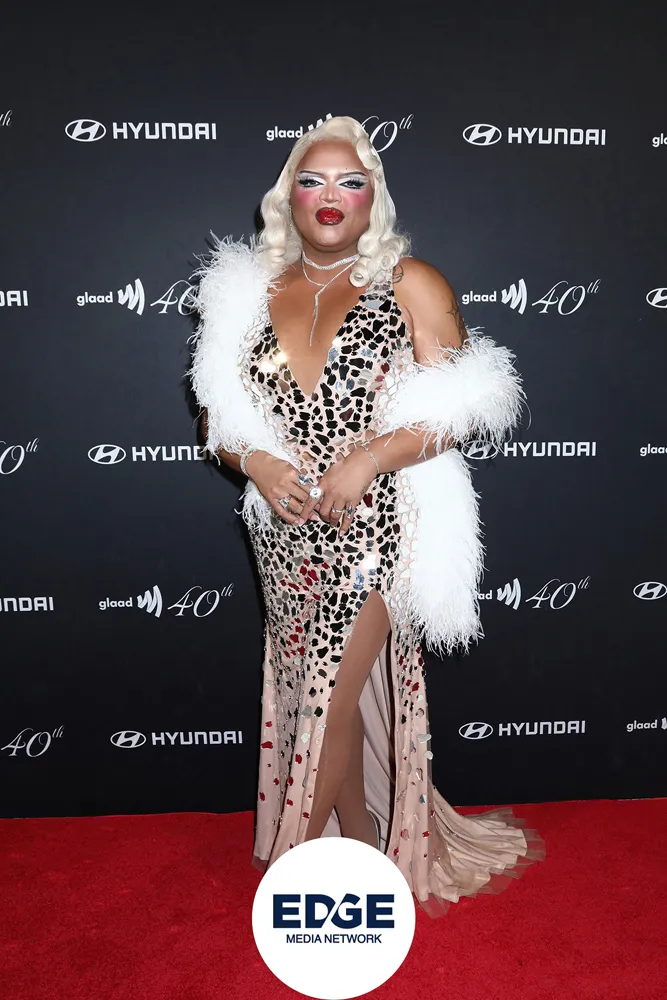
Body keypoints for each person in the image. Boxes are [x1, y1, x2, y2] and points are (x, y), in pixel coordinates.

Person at [188, 116, 546, 917]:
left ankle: (296, 878)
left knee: (326, 693)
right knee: (319, 694)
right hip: (284, 532)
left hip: (382, 528)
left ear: (372, 199)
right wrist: (257, 463)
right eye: (311, 180)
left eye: (350, 182)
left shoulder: (410, 282)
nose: (330, 196)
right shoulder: (245, 296)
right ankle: (362, 842)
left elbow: (465, 408)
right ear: (287, 196)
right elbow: (218, 423)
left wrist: (371, 458)